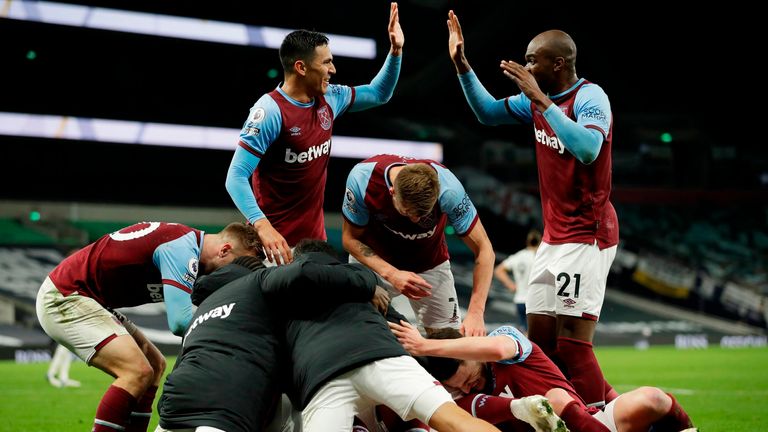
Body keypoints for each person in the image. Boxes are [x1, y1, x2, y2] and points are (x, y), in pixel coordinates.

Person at [447, 12, 619, 408]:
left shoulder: (590, 98)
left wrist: (541, 101)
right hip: (554, 236)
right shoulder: (535, 101)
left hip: (587, 234)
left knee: (573, 347)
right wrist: (463, 68)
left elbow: (589, 149)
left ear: (558, 64)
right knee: (539, 343)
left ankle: (600, 420)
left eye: (532, 60)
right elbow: (487, 112)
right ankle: (561, 409)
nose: (526, 67)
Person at [36, 222, 261, 432]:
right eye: (236, 264)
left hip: (90, 298)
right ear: (224, 250)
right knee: (136, 371)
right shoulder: (182, 251)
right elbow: (180, 322)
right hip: (66, 295)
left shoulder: (187, 246)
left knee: (155, 364)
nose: (234, 274)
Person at [225, 3, 405, 266]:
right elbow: (236, 176)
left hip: (315, 244)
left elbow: (380, 93)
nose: (333, 70)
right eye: (327, 62)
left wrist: (396, 52)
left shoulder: (330, 97)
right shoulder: (270, 111)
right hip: (275, 247)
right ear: (301, 67)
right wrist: (263, 227)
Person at [283, 240, 503, 432]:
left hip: (324, 375)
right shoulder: (364, 279)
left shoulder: (282, 292)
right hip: (384, 358)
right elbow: (401, 328)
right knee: (456, 421)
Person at [157, 248, 383, 432]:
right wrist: (366, 280)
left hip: (176, 396)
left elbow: (183, 356)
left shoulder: (205, 307)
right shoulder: (258, 281)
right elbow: (302, 273)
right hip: (226, 397)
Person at [390, 320, 696, 432]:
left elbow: (497, 349)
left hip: (586, 422)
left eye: (465, 375)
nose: (463, 386)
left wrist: (425, 345)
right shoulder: (461, 399)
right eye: (454, 386)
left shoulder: (507, 341)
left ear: (470, 353)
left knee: (653, 399)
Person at [341, 154, 494, 337]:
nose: (415, 220)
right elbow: (350, 239)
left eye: (423, 215)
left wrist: (476, 313)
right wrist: (392, 274)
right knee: (357, 330)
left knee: (448, 344)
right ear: (392, 193)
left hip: (429, 263)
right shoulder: (363, 178)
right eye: (407, 213)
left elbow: (485, 249)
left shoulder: (449, 189)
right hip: (377, 262)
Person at [494, 229, 542, 333]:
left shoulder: (519, 256)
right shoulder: (541, 257)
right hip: (536, 301)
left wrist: (511, 285)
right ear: (540, 241)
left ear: (527, 241)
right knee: (536, 334)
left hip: (520, 300)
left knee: (524, 331)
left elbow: (498, 270)